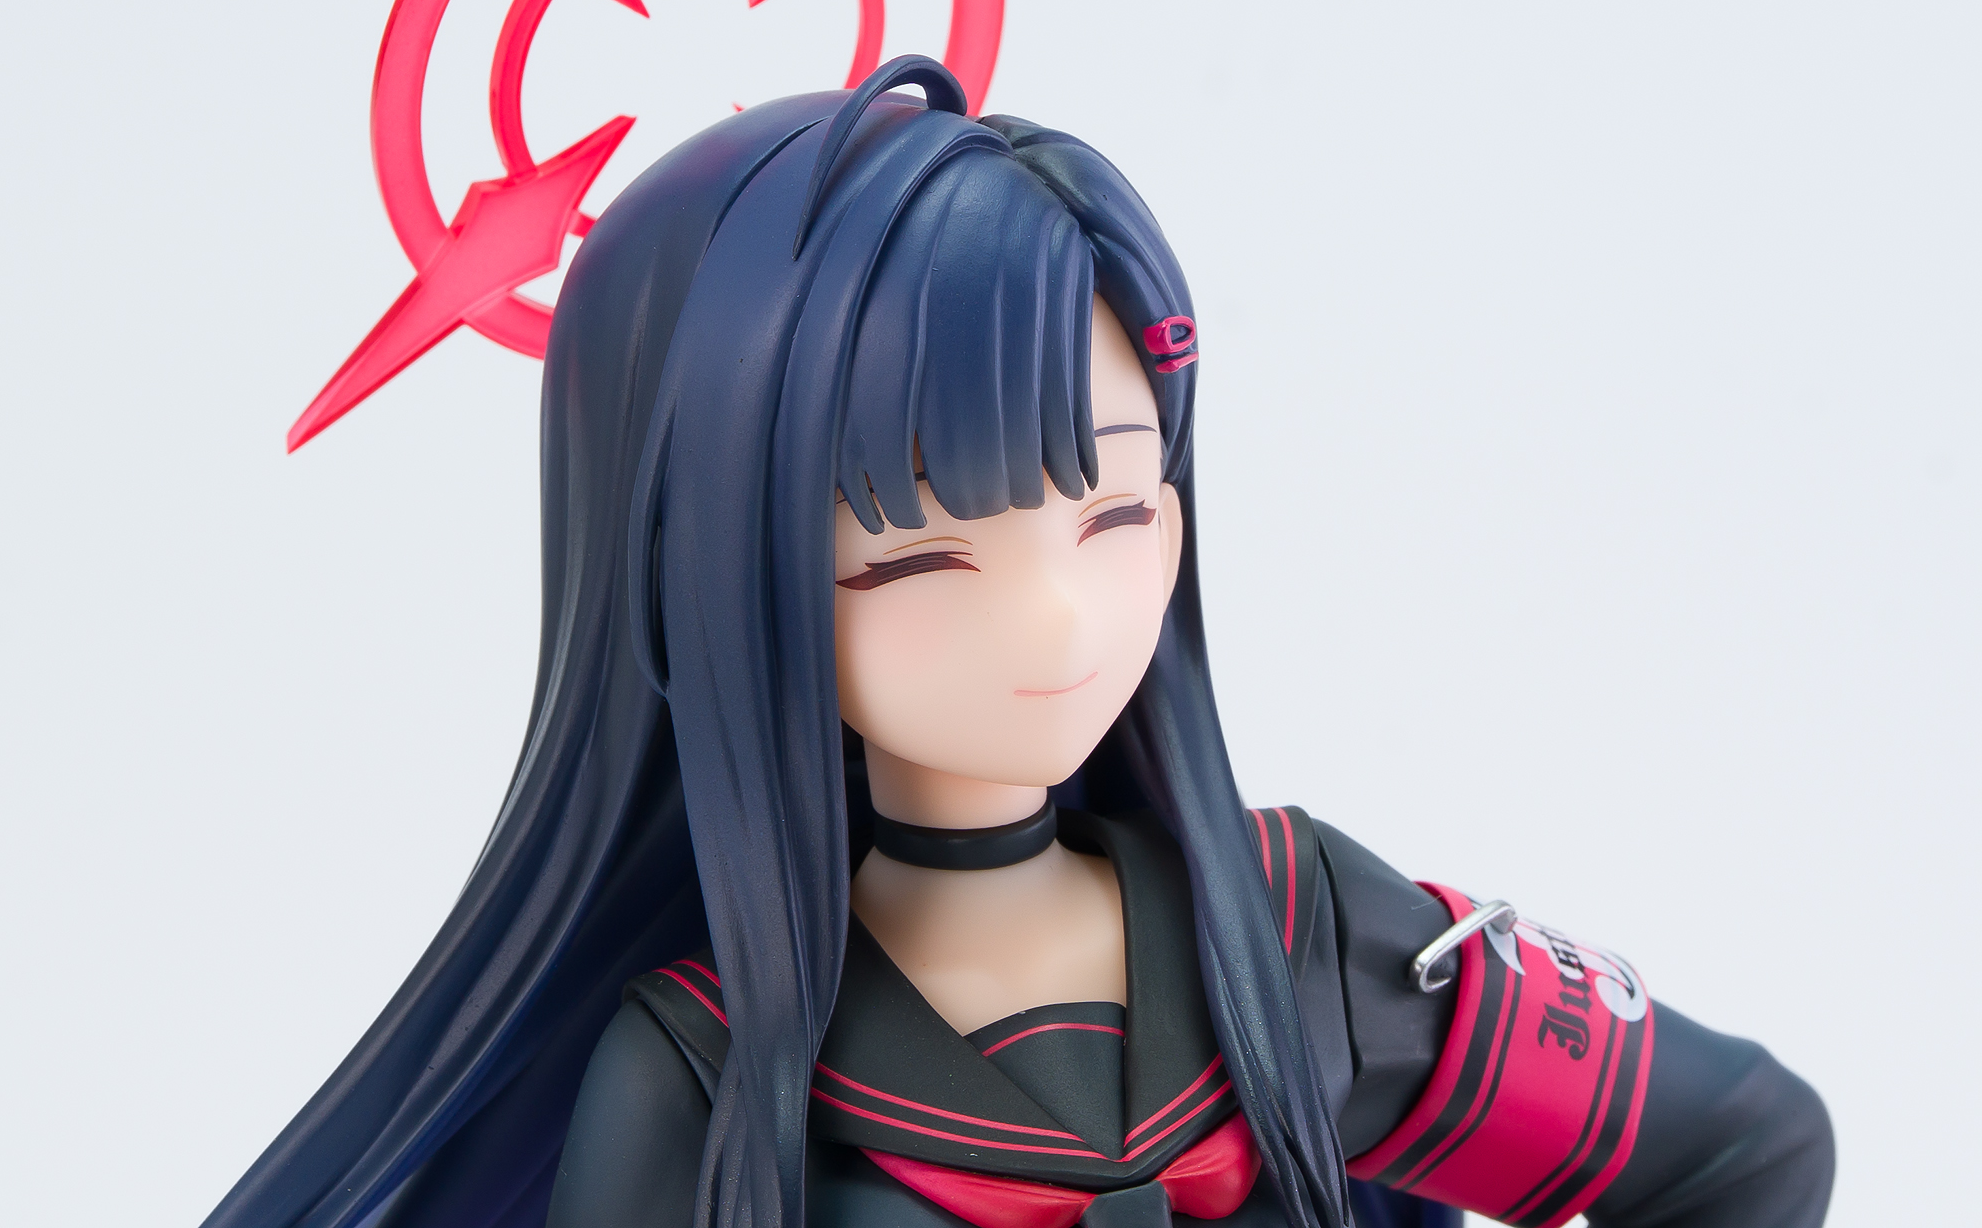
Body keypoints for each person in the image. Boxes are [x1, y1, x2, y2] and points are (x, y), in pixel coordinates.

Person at [201, 59, 1832, 1228]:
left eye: (1112, 515)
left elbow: (1746, 1152)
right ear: (726, 593)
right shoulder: (704, 1076)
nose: (1051, 614)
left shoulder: (1294, 935)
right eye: (920, 552)